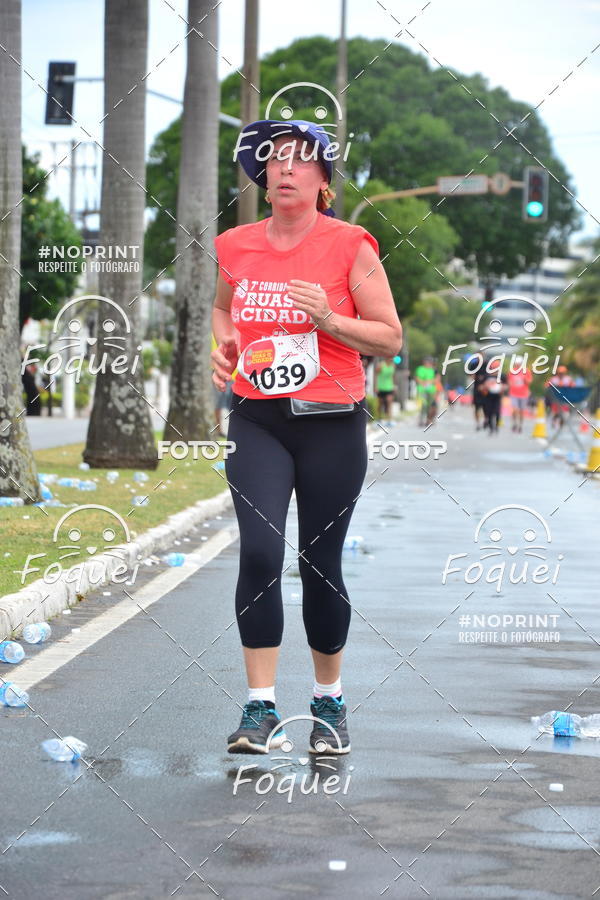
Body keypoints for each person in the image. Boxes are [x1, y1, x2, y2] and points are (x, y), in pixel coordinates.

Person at [211, 119, 402, 755]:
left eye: (301, 159)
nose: (286, 167)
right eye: (275, 159)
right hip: (256, 418)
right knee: (260, 554)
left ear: (324, 180)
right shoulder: (235, 245)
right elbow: (222, 308)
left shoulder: (351, 245)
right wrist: (225, 344)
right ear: (263, 179)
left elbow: (389, 337)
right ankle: (259, 708)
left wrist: (328, 319)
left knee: (319, 564)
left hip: (331, 425)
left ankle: (328, 701)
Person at [481, 358, 507, 434]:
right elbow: (482, 386)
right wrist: (485, 386)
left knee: (497, 412)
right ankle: (491, 427)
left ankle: (497, 426)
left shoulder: (502, 376)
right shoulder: (486, 376)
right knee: (489, 412)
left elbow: (506, 386)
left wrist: (503, 387)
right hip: (488, 397)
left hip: (497, 396)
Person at [507, 357, 532, 433]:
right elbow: (509, 381)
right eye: (517, 364)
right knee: (515, 409)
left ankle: (520, 425)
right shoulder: (512, 371)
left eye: (519, 364)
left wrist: (525, 379)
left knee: (521, 411)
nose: (518, 365)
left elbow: (529, 382)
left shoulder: (526, 371)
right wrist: (511, 384)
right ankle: (514, 423)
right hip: (513, 393)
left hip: (523, 394)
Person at [414, 356, 437, 426]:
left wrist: (430, 382)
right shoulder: (420, 369)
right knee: (423, 405)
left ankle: (429, 419)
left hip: (431, 391)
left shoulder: (433, 370)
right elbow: (417, 378)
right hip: (422, 390)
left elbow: (437, 379)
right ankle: (421, 420)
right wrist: (423, 383)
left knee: (431, 406)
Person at [375, 356, 396, 424]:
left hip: (389, 387)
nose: (391, 359)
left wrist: (394, 385)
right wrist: (376, 386)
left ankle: (389, 419)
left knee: (389, 402)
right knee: (380, 404)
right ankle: (379, 419)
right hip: (381, 387)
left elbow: (393, 376)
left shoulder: (393, 366)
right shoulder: (381, 365)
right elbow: (376, 376)